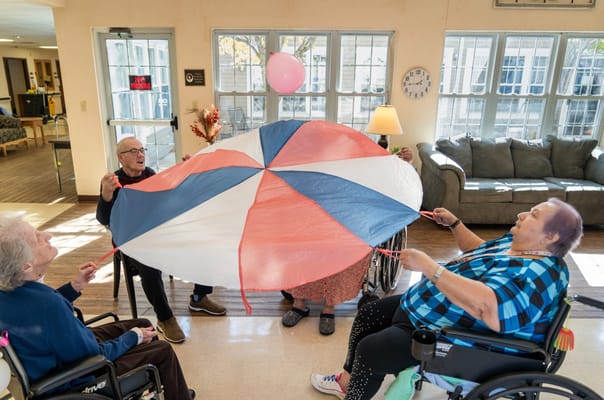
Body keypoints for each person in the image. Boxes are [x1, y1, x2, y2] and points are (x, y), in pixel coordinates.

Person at [310, 198, 583, 400]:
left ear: (551, 236)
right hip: (427, 309)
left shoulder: (537, 274)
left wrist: (430, 267)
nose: (522, 214)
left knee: (371, 351)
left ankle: (355, 395)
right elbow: (478, 251)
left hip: (455, 338)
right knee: (369, 315)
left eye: (533, 215)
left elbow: (490, 309)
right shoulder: (520, 246)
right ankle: (346, 382)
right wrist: (454, 224)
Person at [0, 215, 195, 400]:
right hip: (77, 378)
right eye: (37, 238)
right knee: (161, 349)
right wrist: (133, 337)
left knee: (144, 324)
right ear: (26, 266)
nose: (47, 235)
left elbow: (37, 312)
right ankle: (177, 392)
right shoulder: (49, 304)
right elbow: (96, 354)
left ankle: (172, 385)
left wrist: (73, 287)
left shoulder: (11, 292)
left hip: (55, 357)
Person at [96, 136, 226, 344]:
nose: (140, 154)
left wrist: (188, 173)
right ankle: (165, 318)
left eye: (142, 149)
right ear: (121, 157)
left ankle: (199, 298)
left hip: (157, 234)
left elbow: (172, 200)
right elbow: (104, 219)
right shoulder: (113, 181)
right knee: (149, 265)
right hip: (131, 242)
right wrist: (106, 195)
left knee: (203, 244)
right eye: (133, 151)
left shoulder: (150, 175)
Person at [281, 145, 415, 336]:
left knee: (345, 249)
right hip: (314, 224)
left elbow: (391, 183)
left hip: (349, 226)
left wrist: (404, 163)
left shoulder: (361, 175)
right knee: (300, 246)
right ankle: (299, 304)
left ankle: (329, 307)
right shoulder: (309, 174)